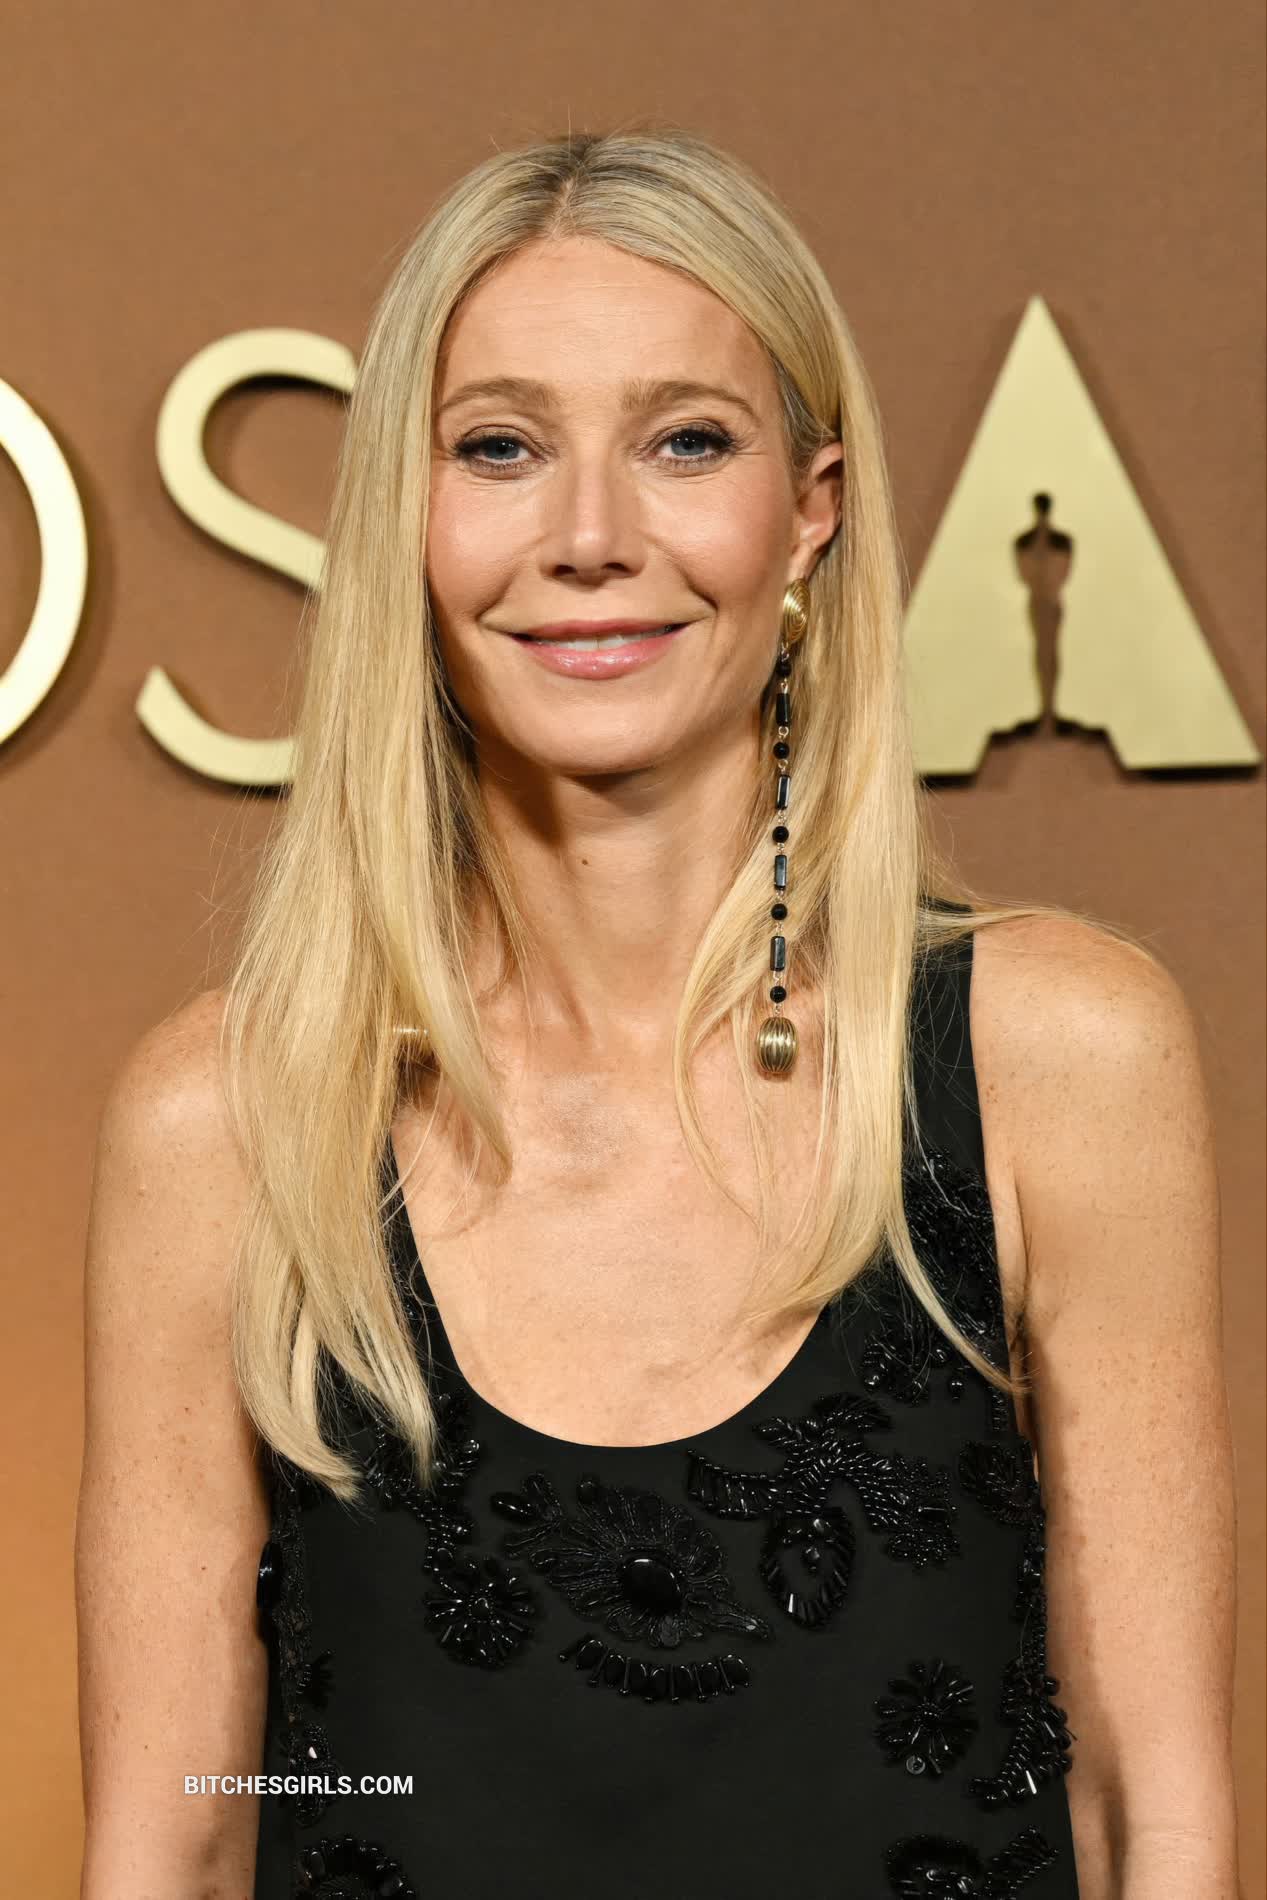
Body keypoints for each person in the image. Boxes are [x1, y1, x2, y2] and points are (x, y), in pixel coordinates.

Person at [74, 126, 1239, 1900]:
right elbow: (177, 1834)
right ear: (406, 514)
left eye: (686, 441)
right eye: (501, 447)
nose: (591, 539)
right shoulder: (229, 1123)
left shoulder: (1058, 1057)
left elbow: (1159, 1822)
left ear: (812, 508)